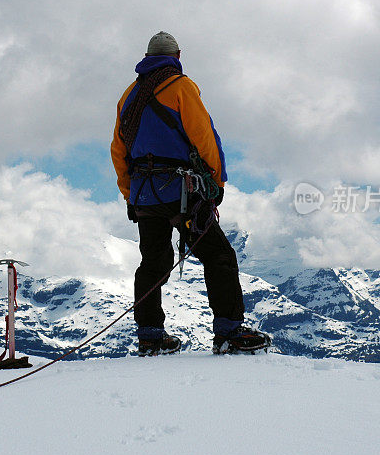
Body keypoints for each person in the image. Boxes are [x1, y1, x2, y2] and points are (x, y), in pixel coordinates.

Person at [111, 31, 270, 356]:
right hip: (182, 193)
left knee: (153, 262)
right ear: (177, 56)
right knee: (218, 255)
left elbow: (118, 149)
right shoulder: (181, 87)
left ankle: (150, 336)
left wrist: (130, 193)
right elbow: (204, 136)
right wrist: (217, 182)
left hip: (144, 195)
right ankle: (229, 332)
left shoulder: (129, 95)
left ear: (146, 57)